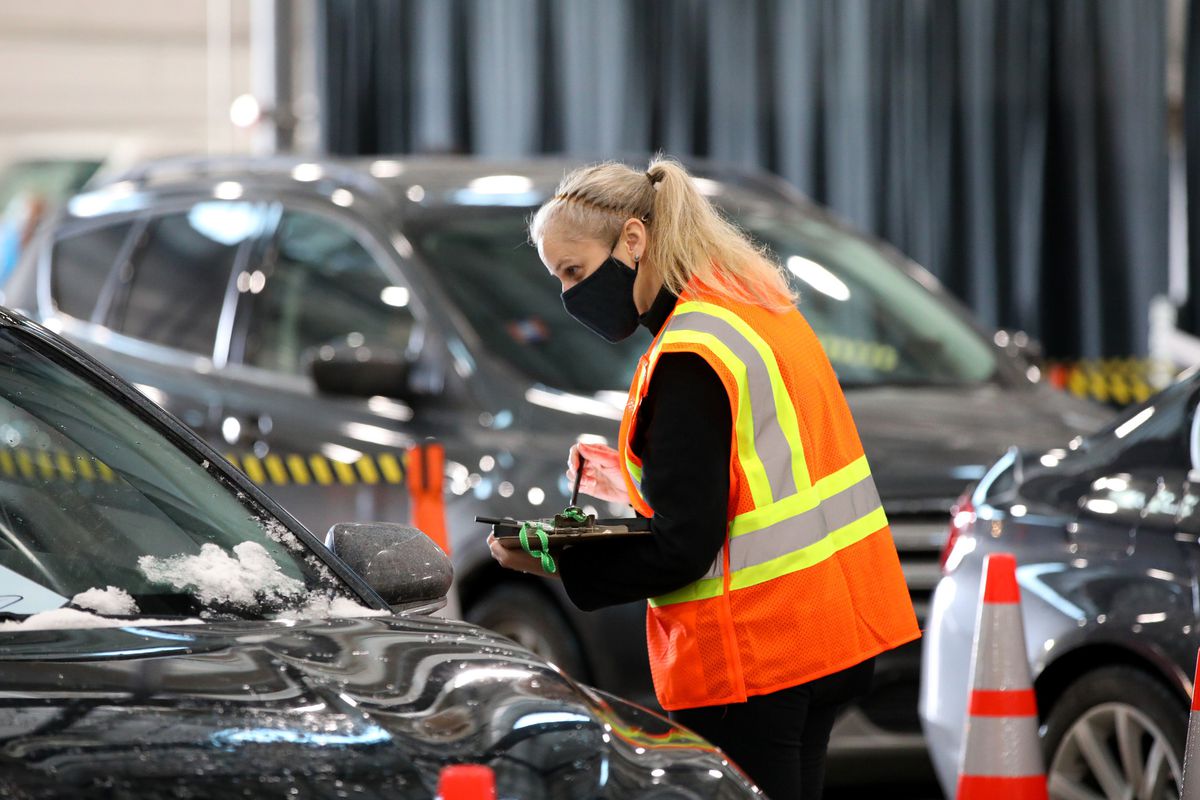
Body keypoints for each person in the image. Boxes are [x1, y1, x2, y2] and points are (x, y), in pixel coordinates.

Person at [488, 156, 920, 799]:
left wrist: (553, 559)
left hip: (756, 657)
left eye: (574, 271)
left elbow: (683, 548)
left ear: (633, 240)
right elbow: (764, 462)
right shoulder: (756, 309)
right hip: (832, 634)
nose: (570, 294)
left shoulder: (692, 354)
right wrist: (626, 477)